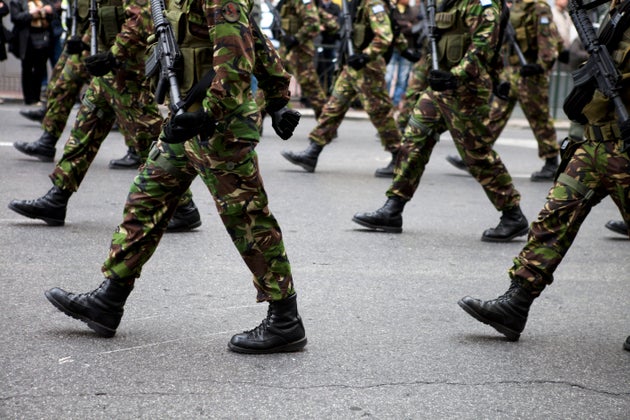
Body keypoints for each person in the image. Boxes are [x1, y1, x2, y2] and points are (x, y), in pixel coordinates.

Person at [43, 0, 307, 354]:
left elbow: (239, 54)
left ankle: (285, 319)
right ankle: (109, 299)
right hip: (188, 121)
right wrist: (276, 98)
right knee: (146, 195)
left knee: (246, 218)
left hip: (220, 126)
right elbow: (256, 39)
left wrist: (238, 109)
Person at [457, 0, 630, 350]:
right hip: (596, 142)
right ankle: (515, 304)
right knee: (552, 220)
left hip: (626, 148)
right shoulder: (618, 8)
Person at [8, 0, 201, 231]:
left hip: (128, 69)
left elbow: (142, 19)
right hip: (112, 68)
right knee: (85, 127)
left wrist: (113, 56)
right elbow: (100, 20)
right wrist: (89, 46)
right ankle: (57, 198)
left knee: (146, 136)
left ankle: (184, 207)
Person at [352, 0, 530, 243]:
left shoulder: (481, 4)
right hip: (439, 87)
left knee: (476, 154)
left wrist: (456, 77)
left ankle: (512, 214)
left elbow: (483, 48)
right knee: (413, 142)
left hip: (467, 90)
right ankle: (393, 208)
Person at [281, 0, 407, 178]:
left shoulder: (373, 3)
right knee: (333, 108)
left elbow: (385, 35)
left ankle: (398, 157)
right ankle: (312, 152)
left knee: (380, 112)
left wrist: (365, 56)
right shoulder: (354, 4)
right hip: (351, 66)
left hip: (368, 68)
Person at [445, 0, 562, 182]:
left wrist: (540, 66)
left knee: (539, 118)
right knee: (494, 115)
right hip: (512, 71)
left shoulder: (538, 7)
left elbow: (548, 39)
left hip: (531, 73)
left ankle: (551, 162)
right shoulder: (513, 6)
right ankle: (476, 156)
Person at [274, 0, 328, 118]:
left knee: (310, 86)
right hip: (286, 47)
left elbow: (313, 23)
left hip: (300, 50)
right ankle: (254, 123)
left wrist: (296, 38)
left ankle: (326, 123)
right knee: (271, 81)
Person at [9, 0, 55, 105]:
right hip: (26, 40)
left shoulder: (42, 1)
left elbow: (53, 15)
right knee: (27, 69)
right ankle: (29, 98)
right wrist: (30, 14)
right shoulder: (17, 1)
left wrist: (47, 11)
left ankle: (37, 97)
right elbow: (15, 17)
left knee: (40, 69)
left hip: (43, 38)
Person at [384, 0, 418, 109]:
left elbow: (415, 26)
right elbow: (391, 24)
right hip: (393, 47)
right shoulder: (392, 8)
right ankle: (386, 102)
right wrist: (406, 24)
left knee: (402, 78)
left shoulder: (413, 10)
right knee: (388, 75)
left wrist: (403, 25)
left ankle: (396, 103)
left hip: (408, 48)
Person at [315, 0, 341, 95]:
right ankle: (319, 94)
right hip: (318, 41)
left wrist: (322, 25)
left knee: (330, 70)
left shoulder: (335, 7)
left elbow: (337, 23)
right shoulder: (317, 4)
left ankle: (328, 93)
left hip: (330, 42)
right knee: (318, 69)